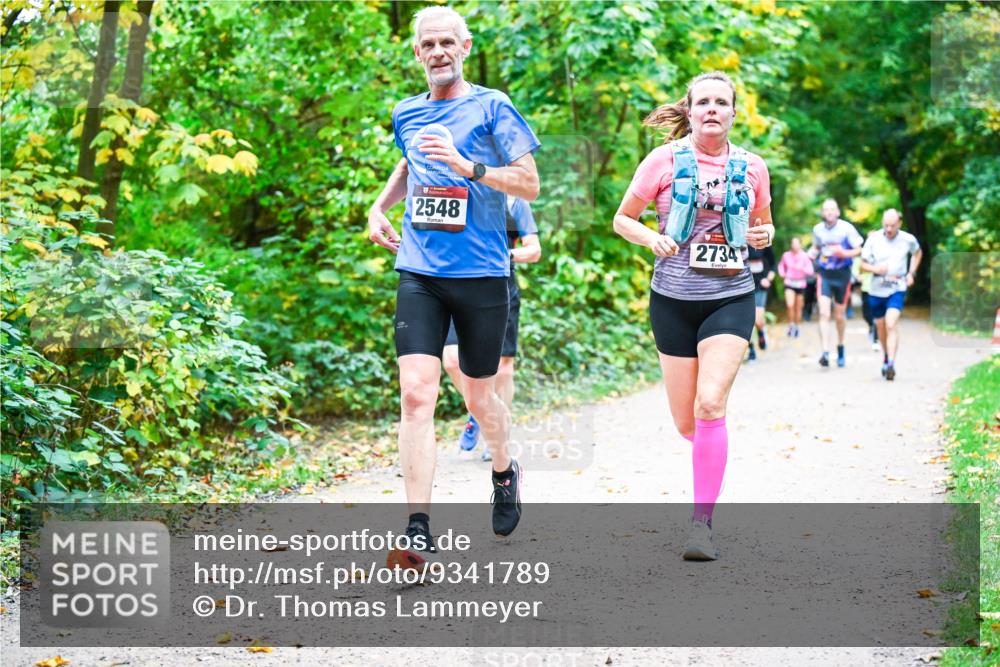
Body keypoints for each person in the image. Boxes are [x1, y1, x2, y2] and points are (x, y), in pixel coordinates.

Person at [366, 6, 540, 568]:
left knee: (477, 395)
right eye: (428, 44)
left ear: (465, 47)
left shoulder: (492, 106)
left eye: (447, 42)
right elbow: (408, 164)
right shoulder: (406, 111)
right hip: (420, 271)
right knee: (416, 393)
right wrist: (378, 206)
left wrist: (470, 167)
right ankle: (417, 528)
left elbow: (530, 184)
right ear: (417, 52)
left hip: (483, 273)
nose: (438, 51)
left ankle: (504, 468)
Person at [613, 71, 774, 561]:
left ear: (733, 113)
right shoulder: (662, 160)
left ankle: (701, 525)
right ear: (689, 110)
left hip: (730, 297)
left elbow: (764, 225)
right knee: (688, 422)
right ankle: (708, 447)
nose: (712, 109)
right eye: (703, 102)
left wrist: (763, 235)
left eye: (721, 102)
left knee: (710, 405)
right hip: (672, 299)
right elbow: (623, 219)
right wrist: (652, 238)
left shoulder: (753, 166)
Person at [442, 197, 541, 461]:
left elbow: (534, 250)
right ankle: (479, 409)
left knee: (503, 367)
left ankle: (495, 433)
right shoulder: (459, 191)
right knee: (451, 360)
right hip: (457, 284)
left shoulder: (515, 202)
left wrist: (504, 254)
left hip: (500, 286)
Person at [860, 209, 922, 381]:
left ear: (899, 223)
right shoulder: (873, 240)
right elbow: (862, 265)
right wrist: (875, 269)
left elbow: (917, 253)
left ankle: (892, 364)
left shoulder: (908, 239)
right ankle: (886, 357)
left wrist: (911, 273)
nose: (888, 229)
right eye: (886, 225)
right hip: (876, 289)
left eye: (892, 226)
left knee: (891, 323)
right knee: (880, 326)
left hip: (897, 287)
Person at [809, 199, 863, 368]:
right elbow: (816, 247)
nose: (829, 212)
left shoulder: (847, 228)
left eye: (832, 209)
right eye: (826, 210)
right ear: (823, 213)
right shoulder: (818, 229)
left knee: (839, 316)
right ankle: (825, 352)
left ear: (838, 212)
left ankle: (840, 346)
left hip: (842, 274)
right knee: (824, 313)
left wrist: (843, 253)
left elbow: (859, 249)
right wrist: (811, 254)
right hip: (824, 274)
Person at [777, 236, 814, 337]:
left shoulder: (805, 256)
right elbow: (781, 266)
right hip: (789, 282)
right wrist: (782, 273)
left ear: (800, 245)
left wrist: (801, 268)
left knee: (798, 308)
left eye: (797, 243)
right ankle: (791, 325)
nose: (795, 245)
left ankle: (797, 326)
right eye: (793, 243)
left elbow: (810, 271)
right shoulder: (786, 255)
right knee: (790, 305)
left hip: (800, 283)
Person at [746, 243, 776, 361]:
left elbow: (773, 265)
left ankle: (761, 333)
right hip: (744, 285)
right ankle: (751, 349)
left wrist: (768, 279)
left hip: (760, 285)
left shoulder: (763, 243)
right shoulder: (739, 241)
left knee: (758, 320)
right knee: (747, 320)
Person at [859, 229, 880, 350]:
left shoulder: (883, 252)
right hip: (866, 287)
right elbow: (857, 268)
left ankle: (876, 339)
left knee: (877, 314)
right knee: (866, 314)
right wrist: (858, 276)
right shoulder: (863, 253)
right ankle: (872, 326)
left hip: (879, 288)